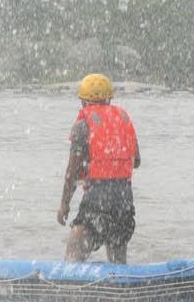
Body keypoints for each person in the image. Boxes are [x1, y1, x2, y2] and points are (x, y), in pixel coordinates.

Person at [57, 73, 139, 263]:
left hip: (97, 198)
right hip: (124, 199)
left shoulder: (82, 125)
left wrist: (64, 205)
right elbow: (136, 161)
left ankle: (68, 280)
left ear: (83, 102)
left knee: (74, 251)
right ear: (109, 98)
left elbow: (72, 173)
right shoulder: (123, 120)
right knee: (118, 259)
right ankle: (121, 279)